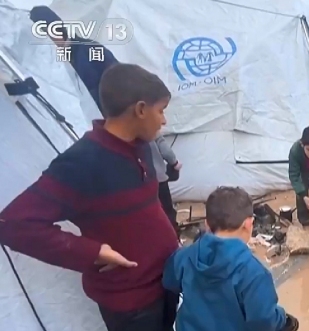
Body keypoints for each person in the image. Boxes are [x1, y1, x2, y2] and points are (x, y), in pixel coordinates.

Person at [0, 63, 180, 331]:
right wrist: (93, 252)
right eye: (161, 110)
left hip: (164, 281)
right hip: (133, 304)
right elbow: (12, 225)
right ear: (141, 109)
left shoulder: (140, 148)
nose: (164, 120)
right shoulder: (83, 163)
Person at [162, 187, 299, 331]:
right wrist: (282, 317)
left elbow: (169, 281)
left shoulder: (185, 255)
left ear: (207, 225)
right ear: (248, 224)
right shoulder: (254, 272)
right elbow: (263, 321)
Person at [30, 6, 119, 114]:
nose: (47, 40)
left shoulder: (89, 48)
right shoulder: (48, 63)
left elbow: (118, 77)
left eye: (46, 33)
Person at [150, 134, 182, 234]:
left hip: (141, 180)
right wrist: (174, 163)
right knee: (167, 211)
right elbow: (165, 149)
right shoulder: (149, 128)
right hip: (159, 178)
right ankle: (173, 238)